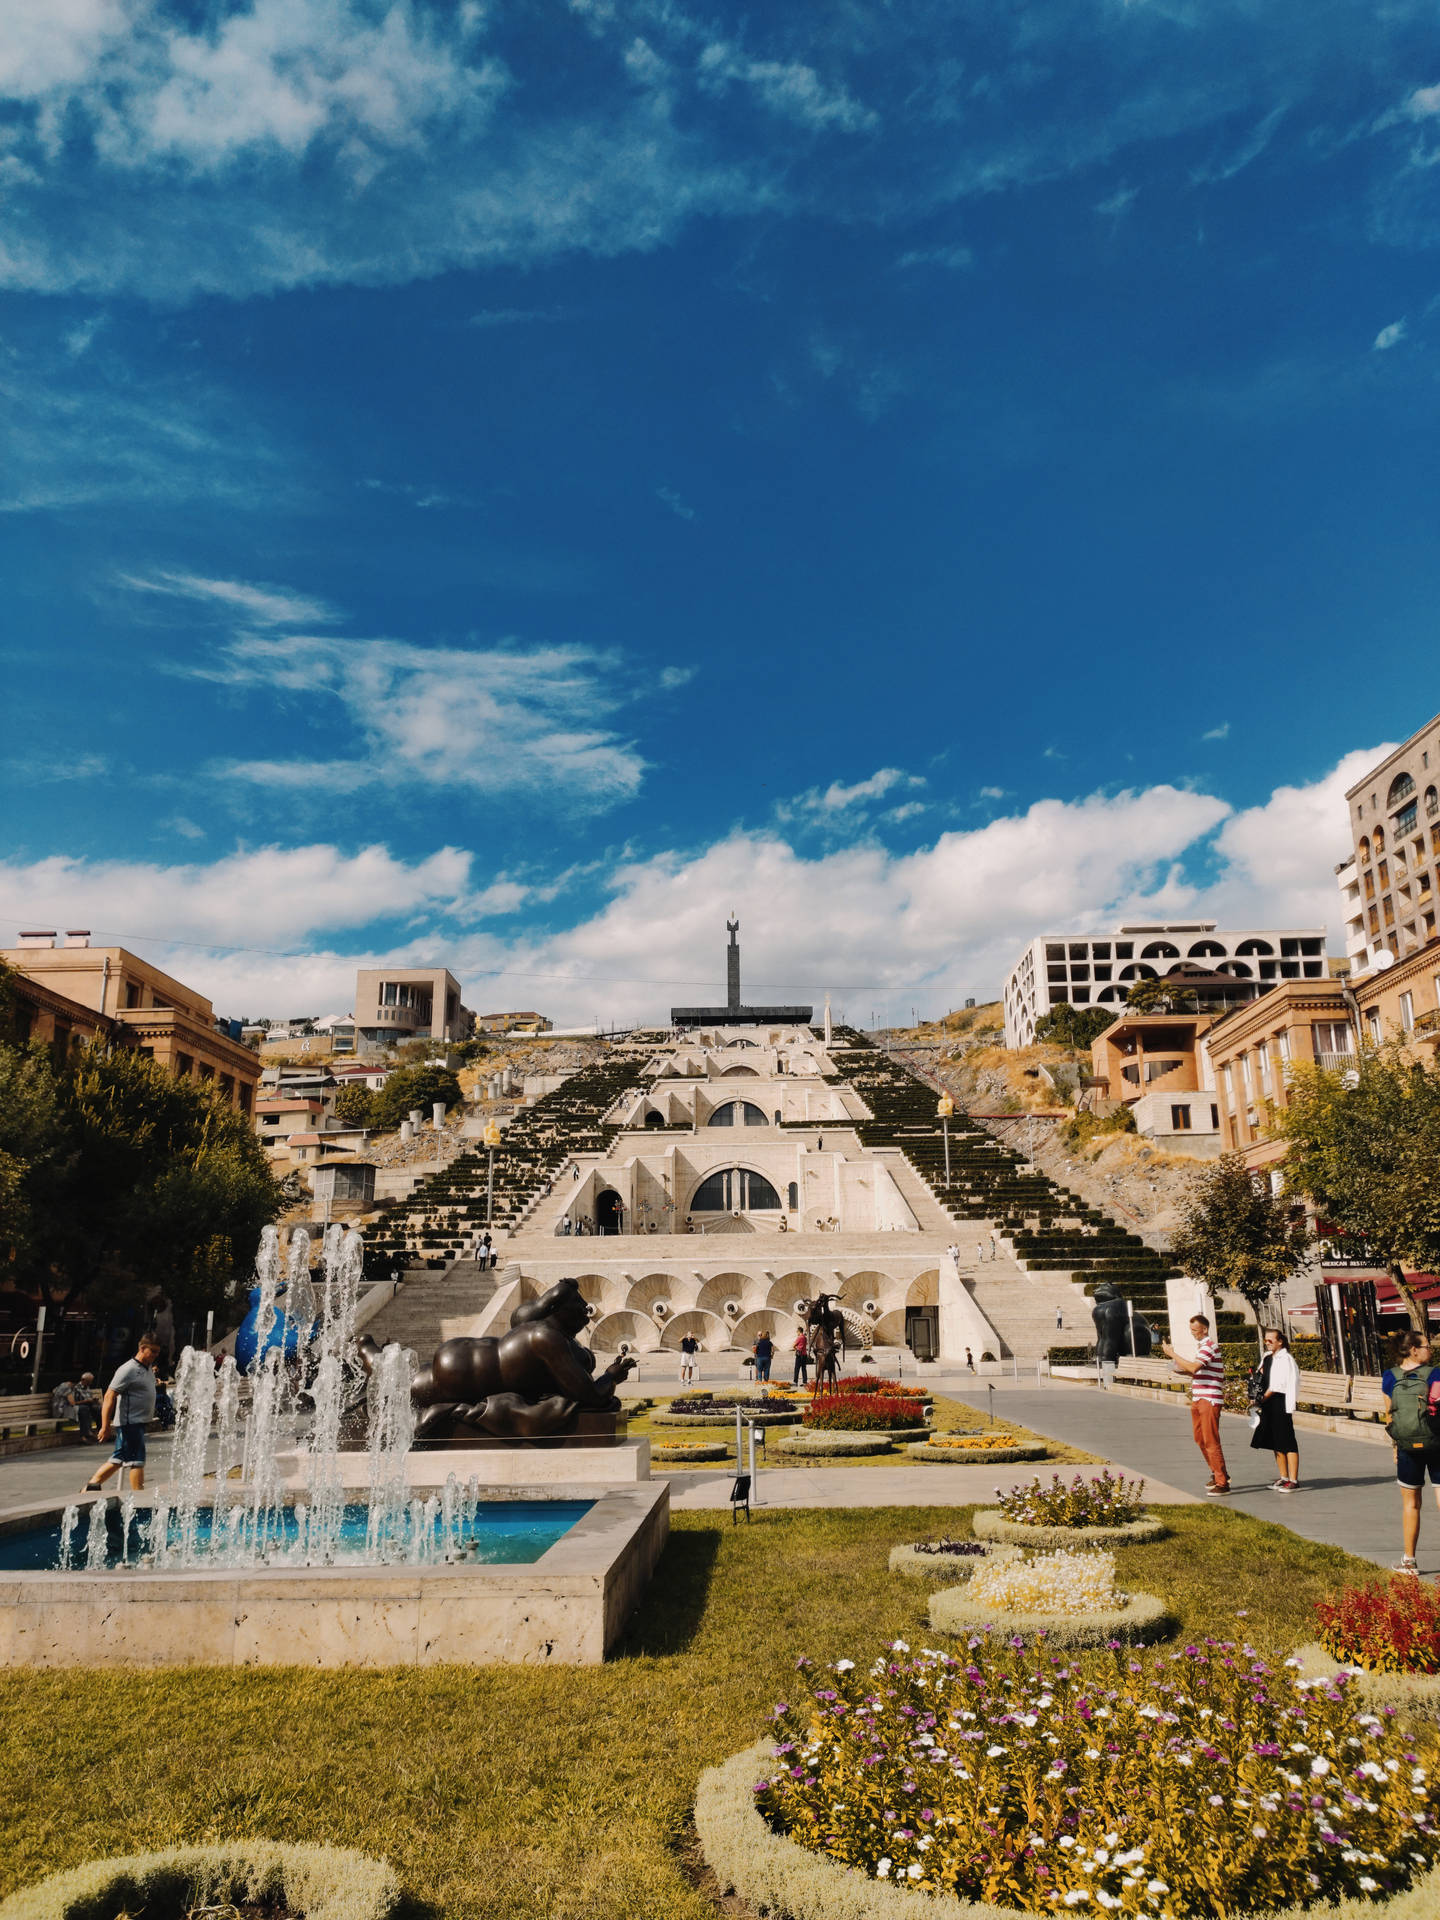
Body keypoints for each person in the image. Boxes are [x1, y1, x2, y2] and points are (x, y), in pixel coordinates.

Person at [1382, 1329, 1440, 1574]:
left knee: (1411, 1504)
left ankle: (1409, 1561)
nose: (1431, 1349)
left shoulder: (1389, 1376)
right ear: (1414, 1350)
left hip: (1406, 1447)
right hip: (1437, 1442)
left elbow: (1389, 1416)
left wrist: (1395, 1447)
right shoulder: (1436, 1373)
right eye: (1427, 1346)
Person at [1161, 1313, 1230, 1495]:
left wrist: (1172, 1354)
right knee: (1200, 1438)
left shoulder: (1209, 1346)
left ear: (1205, 1329)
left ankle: (1222, 1482)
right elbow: (1196, 1371)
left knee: (1211, 1440)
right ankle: (1217, 1473)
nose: (1193, 1333)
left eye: (1195, 1330)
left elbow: (1194, 1367)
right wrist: (1180, 1369)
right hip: (1199, 1397)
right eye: (1191, 1330)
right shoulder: (1202, 1347)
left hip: (1209, 1398)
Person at [84, 1336, 161, 1494]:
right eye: (152, 1351)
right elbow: (109, 1396)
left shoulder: (147, 1368)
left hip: (138, 1422)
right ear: (141, 1349)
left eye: (157, 1352)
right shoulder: (128, 1369)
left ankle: (90, 1487)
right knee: (136, 1460)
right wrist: (105, 1426)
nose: (155, 1355)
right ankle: (138, 1496)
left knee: (118, 1459)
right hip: (129, 1422)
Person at [1250, 1328, 1300, 1491]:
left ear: (1280, 1341)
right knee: (1275, 1441)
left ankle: (1293, 1480)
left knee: (1287, 1440)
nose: (1267, 1343)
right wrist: (1255, 1395)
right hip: (1268, 1403)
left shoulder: (1285, 1359)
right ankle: (1283, 1477)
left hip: (1280, 1401)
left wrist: (1261, 1398)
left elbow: (1278, 1385)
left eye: (1270, 1340)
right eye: (1266, 1340)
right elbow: (1259, 1377)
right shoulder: (1267, 1357)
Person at [51, 1375, 101, 1443]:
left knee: (85, 1409)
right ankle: (86, 1434)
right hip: (61, 1410)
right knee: (83, 1409)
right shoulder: (66, 1387)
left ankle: (86, 1434)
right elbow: (72, 1403)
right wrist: (86, 1401)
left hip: (62, 1408)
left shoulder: (63, 1385)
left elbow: (54, 1390)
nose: (75, 1387)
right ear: (73, 1383)